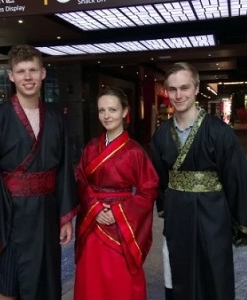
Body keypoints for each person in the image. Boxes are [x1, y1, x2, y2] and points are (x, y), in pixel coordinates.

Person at [0, 44, 79, 300]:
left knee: (45, 283)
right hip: (8, 216)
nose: (27, 77)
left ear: (43, 73)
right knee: (7, 286)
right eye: (21, 71)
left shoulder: (56, 119)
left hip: (46, 215)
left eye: (33, 70)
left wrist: (65, 218)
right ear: (11, 76)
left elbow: (64, 169)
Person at [151, 62, 247, 300]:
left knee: (214, 273)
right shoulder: (161, 135)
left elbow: (236, 179)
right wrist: (167, 207)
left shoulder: (220, 132)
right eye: (172, 89)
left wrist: (237, 222)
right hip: (178, 217)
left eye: (184, 87)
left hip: (213, 217)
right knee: (178, 272)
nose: (178, 95)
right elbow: (159, 179)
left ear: (196, 87)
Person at [73, 86, 159, 300]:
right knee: (91, 278)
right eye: (102, 111)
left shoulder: (135, 151)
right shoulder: (91, 147)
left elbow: (148, 189)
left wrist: (118, 212)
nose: (106, 115)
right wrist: (94, 207)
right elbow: (81, 180)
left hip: (121, 225)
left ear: (124, 112)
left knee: (120, 281)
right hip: (93, 222)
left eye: (112, 110)